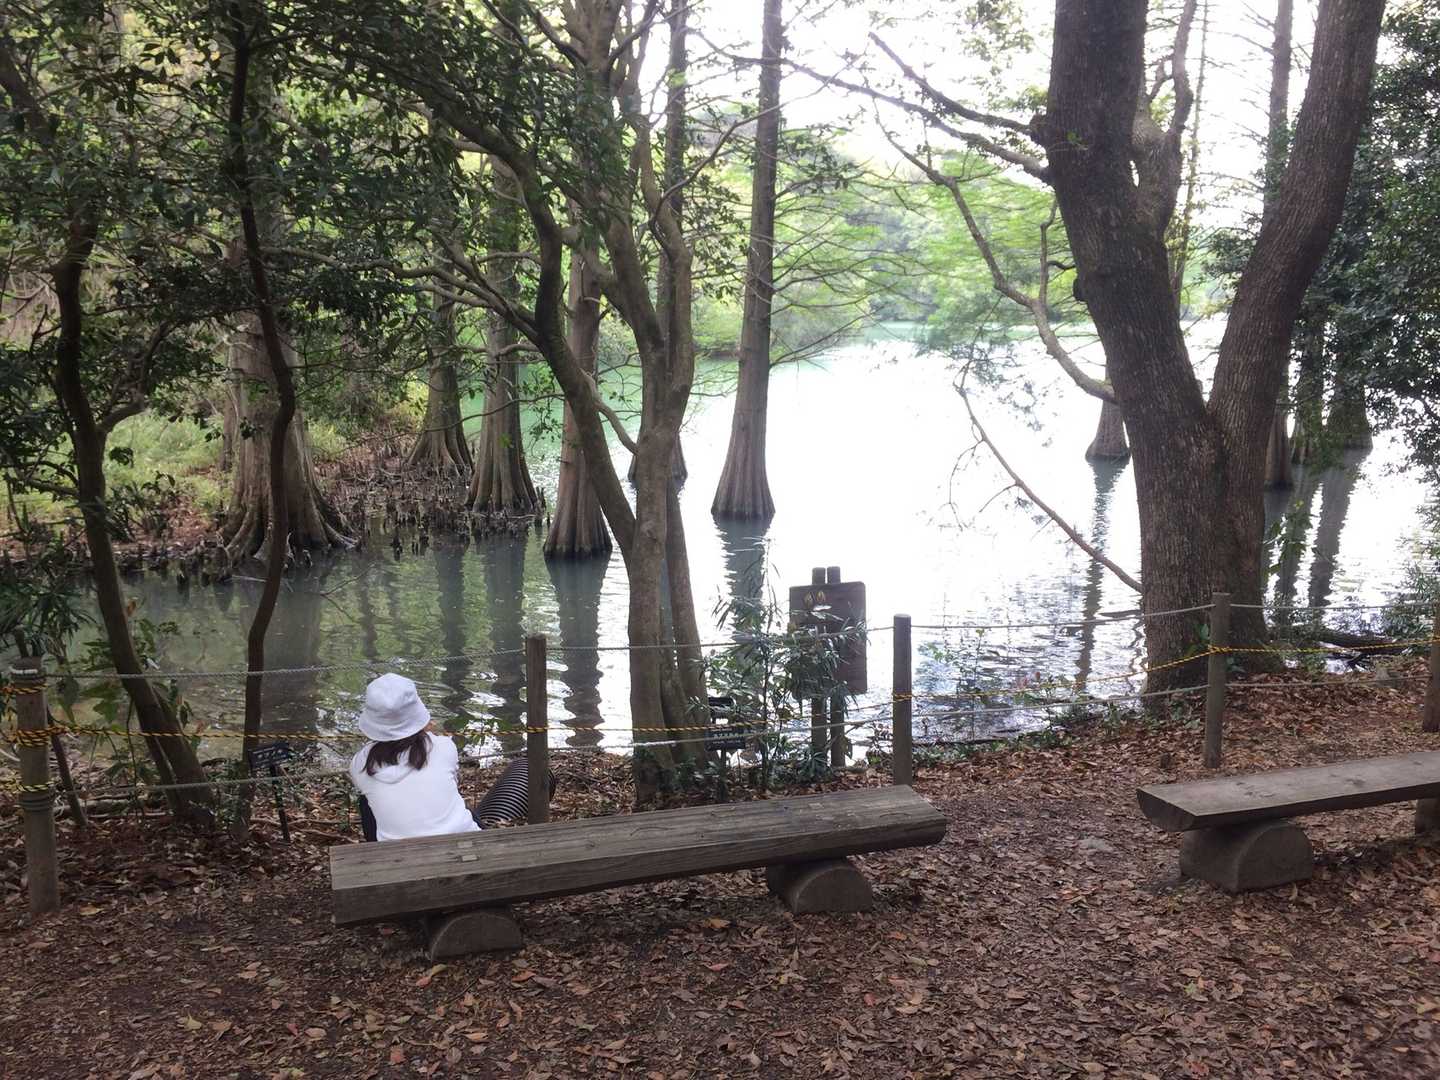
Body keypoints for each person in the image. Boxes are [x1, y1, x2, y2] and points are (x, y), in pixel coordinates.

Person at [348, 672, 553, 842]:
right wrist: (426, 731)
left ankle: (376, 848)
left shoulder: (359, 764)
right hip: (469, 847)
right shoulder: (443, 746)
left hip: (401, 861)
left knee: (367, 801)